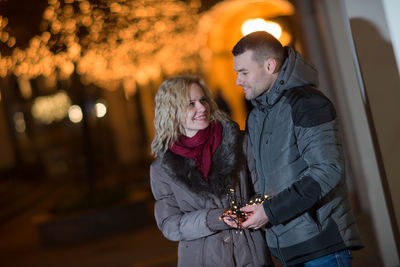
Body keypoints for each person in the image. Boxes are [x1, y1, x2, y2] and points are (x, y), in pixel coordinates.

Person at [231, 31, 364, 266]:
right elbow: (270, 180)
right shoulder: (257, 116)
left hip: (321, 245)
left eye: (244, 72)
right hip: (286, 248)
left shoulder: (307, 103)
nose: (238, 81)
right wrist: (253, 208)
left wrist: (269, 211)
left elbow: (327, 170)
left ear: (270, 65)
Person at [149, 76, 273, 267]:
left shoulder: (240, 142)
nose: (202, 108)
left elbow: (264, 190)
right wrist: (213, 219)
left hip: (249, 255)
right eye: (191, 103)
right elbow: (170, 225)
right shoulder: (162, 169)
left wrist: (251, 211)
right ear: (172, 111)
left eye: (203, 100)